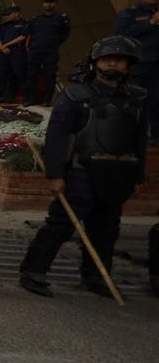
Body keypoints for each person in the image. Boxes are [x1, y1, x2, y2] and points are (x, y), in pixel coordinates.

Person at [19, 36, 148, 298]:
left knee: (106, 229)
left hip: (117, 174)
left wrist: (138, 174)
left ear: (128, 65)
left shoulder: (136, 99)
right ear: (95, 62)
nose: (113, 63)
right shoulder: (76, 96)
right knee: (60, 225)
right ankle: (34, 271)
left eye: (120, 59)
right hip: (81, 171)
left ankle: (96, 277)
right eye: (107, 58)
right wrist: (54, 174)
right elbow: (56, 137)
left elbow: (139, 139)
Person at [114, 0, 159, 143]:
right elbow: (122, 33)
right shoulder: (130, 14)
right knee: (135, 102)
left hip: (157, 66)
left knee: (156, 102)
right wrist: (150, 23)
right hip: (139, 66)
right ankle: (133, 135)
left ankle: (155, 136)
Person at [25, 0, 70, 105]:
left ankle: (47, 100)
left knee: (50, 76)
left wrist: (53, 42)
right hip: (35, 51)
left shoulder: (61, 19)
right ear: (42, 4)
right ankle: (30, 99)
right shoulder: (35, 19)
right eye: (46, 2)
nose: (48, 4)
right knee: (31, 75)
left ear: (55, 4)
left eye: (51, 2)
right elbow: (29, 33)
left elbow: (65, 35)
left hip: (51, 51)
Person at [0, 5, 28, 103]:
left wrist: (6, 45)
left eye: (9, 14)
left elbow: (22, 37)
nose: (7, 16)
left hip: (17, 51)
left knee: (18, 74)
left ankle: (23, 97)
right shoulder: (4, 26)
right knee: (1, 74)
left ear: (16, 13)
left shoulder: (24, 23)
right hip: (3, 52)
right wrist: (1, 47)